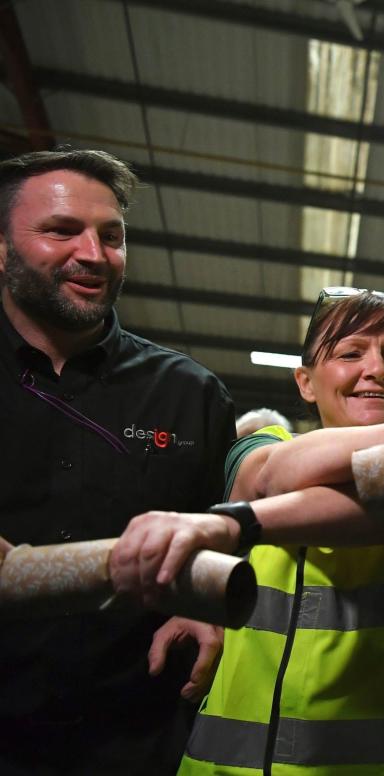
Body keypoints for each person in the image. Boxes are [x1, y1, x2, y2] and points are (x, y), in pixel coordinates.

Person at [109, 287, 384, 775]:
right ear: (305, 382)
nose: (377, 369)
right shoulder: (263, 444)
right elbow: (276, 474)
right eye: (350, 353)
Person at [0, 149, 234, 775]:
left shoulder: (191, 393)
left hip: (136, 736)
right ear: (1, 248)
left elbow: (226, 531)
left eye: (112, 237)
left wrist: (203, 606)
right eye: (61, 230)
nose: (93, 254)